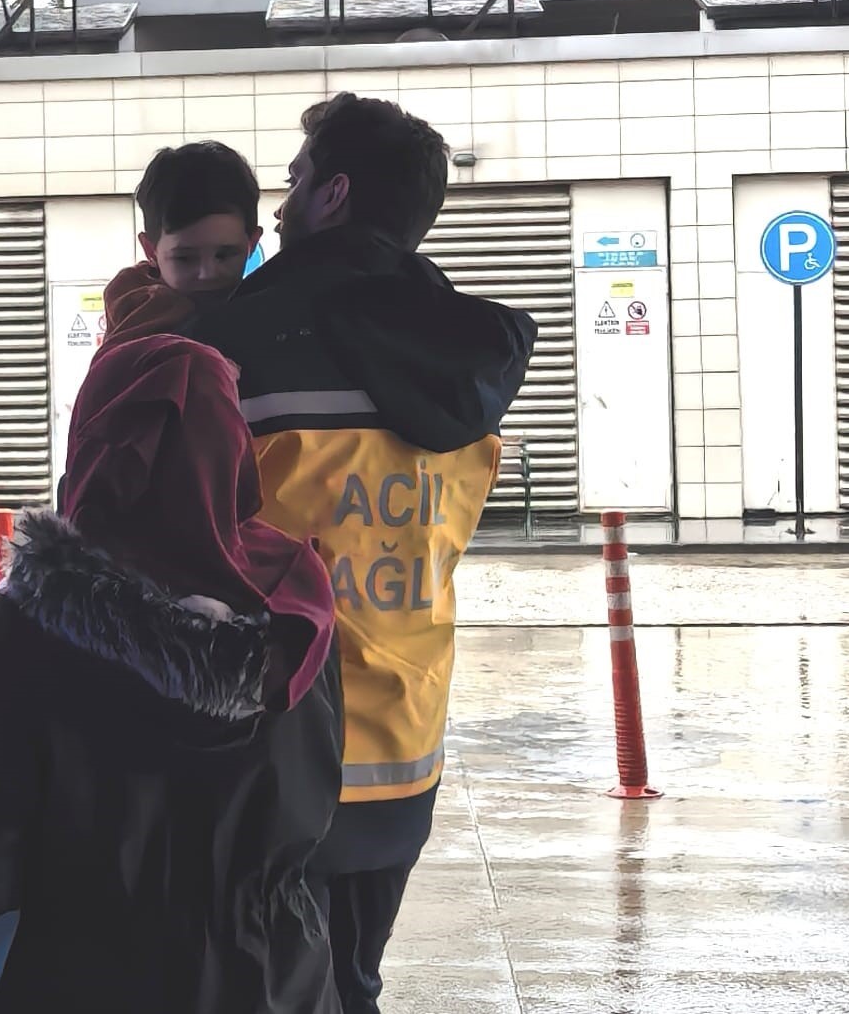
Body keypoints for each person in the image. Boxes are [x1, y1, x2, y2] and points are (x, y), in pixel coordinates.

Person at [188, 92, 538, 1014]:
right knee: (353, 983)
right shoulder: (466, 358)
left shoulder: (240, 344)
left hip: (272, 746)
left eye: (296, 178)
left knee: (265, 990)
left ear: (334, 193)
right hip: (406, 744)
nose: (280, 203)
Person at [0, 334, 345, 1014]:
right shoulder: (300, 611)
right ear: (234, 452)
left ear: (91, 449)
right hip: (280, 980)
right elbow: (319, 808)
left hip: (78, 982)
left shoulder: (10, 634)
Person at [102, 141, 262, 344]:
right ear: (150, 250)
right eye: (185, 258)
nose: (207, 274)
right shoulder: (140, 329)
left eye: (224, 255)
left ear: (252, 244)